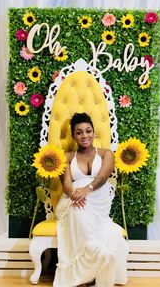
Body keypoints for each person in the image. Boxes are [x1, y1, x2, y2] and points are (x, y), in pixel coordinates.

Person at [53, 112, 129, 287]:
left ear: (94, 132)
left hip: (98, 198)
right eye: (79, 132)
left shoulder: (106, 154)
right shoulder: (67, 157)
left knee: (83, 212)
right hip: (75, 197)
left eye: (88, 131)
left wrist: (86, 189)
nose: (84, 135)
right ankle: (89, 268)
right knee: (76, 210)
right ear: (73, 135)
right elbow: (65, 183)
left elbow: (102, 178)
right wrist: (74, 194)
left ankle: (91, 267)